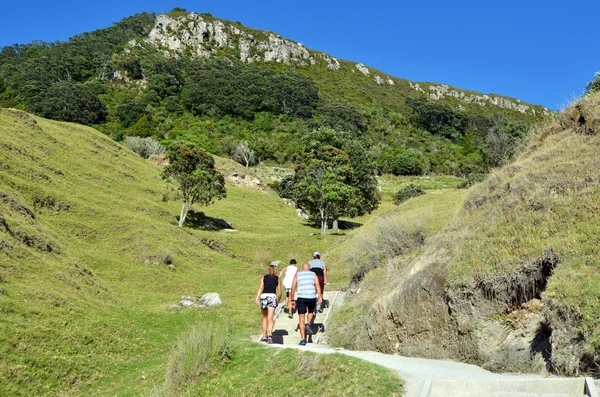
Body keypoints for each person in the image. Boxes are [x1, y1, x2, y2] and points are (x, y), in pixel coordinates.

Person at [290, 262, 323, 346]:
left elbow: (293, 287)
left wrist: (292, 299)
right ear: (309, 268)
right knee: (311, 311)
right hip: (311, 297)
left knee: (301, 318)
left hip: (301, 297)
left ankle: (303, 339)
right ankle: (308, 323)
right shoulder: (313, 274)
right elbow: (318, 286)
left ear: (302, 268)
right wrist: (319, 297)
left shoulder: (298, 274)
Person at [255, 263, 281, 344]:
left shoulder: (264, 277)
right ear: (275, 271)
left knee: (265, 317)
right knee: (270, 318)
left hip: (264, 297)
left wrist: (257, 298)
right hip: (272, 297)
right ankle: (270, 335)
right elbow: (280, 293)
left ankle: (264, 336)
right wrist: (278, 301)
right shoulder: (277, 279)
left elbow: (260, 288)